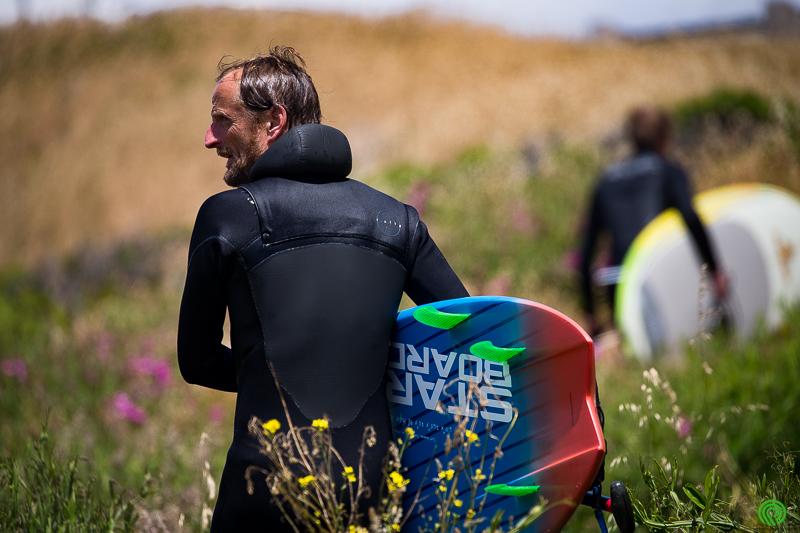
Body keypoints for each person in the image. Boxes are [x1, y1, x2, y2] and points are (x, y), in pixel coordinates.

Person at [177, 47, 468, 532]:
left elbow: (197, 360)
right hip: (374, 498)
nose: (210, 139)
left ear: (274, 121)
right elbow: (469, 329)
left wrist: (277, 371)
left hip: (265, 492)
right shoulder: (396, 219)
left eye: (222, 121)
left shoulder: (226, 215)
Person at [579, 105, 728, 336]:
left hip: (618, 281)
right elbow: (690, 218)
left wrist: (590, 312)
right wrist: (715, 271)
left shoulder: (606, 180)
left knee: (634, 353)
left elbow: (587, 249)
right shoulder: (668, 171)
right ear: (665, 137)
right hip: (657, 275)